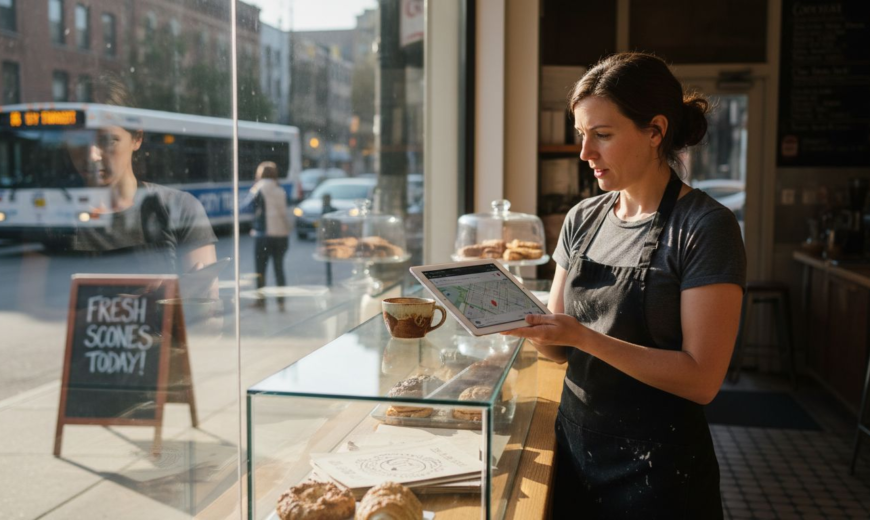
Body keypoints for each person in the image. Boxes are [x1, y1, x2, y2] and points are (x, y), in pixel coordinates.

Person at [503, 52, 746, 519]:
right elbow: (557, 348)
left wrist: (581, 337)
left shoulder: (705, 227)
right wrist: (517, 321)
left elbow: (702, 379)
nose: (585, 153)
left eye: (603, 135)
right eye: (581, 136)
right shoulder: (582, 219)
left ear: (655, 131)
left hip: (661, 475)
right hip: (575, 453)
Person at [69, 74, 218, 286]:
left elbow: (207, 310)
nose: (92, 155)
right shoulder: (54, 221)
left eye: (108, 140)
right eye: (79, 140)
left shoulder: (181, 209)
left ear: (137, 139)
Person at [245, 161, 291, 310]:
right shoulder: (280, 190)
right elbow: (286, 215)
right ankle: (281, 302)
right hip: (281, 236)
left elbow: (246, 207)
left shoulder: (259, 189)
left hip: (263, 236)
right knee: (279, 269)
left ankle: (261, 302)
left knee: (260, 270)